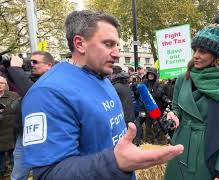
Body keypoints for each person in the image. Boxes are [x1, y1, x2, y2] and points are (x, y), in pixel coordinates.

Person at [21, 10, 183, 180]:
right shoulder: (48, 93)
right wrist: (115, 162)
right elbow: (48, 174)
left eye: (117, 46)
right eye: (108, 44)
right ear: (80, 44)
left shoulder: (102, 77)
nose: (117, 53)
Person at [164, 17, 219, 180]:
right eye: (194, 49)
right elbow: (176, 108)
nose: (196, 55)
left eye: (202, 51)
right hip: (179, 145)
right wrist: (172, 115)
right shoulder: (184, 78)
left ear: (215, 55)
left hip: (208, 149)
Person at [8, 51, 55, 180]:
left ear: (49, 65)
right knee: (18, 176)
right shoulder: (32, 79)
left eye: (35, 62)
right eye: (30, 61)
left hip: (45, 137)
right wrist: (9, 66)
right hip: (24, 136)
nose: (31, 65)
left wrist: (16, 69)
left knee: (43, 174)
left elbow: (33, 93)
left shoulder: (54, 81)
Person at [0, 76, 20, 179]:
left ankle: (14, 175)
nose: (0, 85)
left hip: (12, 132)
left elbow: (19, 110)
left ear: (6, 84)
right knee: (1, 160)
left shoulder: (14, 95)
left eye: (2, 83)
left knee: (14, 158)